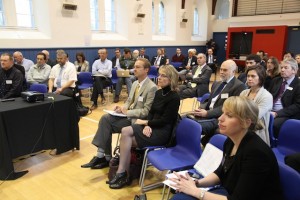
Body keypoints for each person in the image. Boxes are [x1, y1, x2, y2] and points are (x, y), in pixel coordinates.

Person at [170, 96, 283, 200]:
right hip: (231, 192)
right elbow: (221, 173)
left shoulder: (257, 154)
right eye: (223, 113)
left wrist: (196, 192)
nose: (220, 118)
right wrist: (196, 183)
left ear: (246, 122)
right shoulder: (230, 141)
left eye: (229, 115)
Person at [108, 64, 180, 189]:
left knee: (127, 135)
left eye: (163, 76)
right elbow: (151, 113)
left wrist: (147, 123)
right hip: (153, 128)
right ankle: (122, 173)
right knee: (126, 132)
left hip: (162, 133)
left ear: (171, 78)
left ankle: (122, 174)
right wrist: (148, 125)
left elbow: (165, 120)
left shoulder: (174, 97)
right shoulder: (159, 93)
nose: (159, 78)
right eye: (159, 75)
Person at [81, 58, 157, 169]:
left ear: (146, 70)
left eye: (137, 67)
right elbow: (129, 101)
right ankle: (104, 156)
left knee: (107, 123)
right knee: (105, 119)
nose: (134, 69)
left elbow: (146, 111)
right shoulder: (135, 83)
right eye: (134, 66)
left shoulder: (151, 87)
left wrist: (128, 112)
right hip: (128, 117)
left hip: (137, 121)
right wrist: (122, 108)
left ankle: (102, 157)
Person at [189, 60, 246, 146]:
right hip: (207, 113)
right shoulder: (217, 83)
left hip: (219, 118)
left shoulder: (239, 86)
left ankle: (192, 149)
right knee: (182, 118)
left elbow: (229, 109)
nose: (222, 72)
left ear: (233, 72)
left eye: (225, 70)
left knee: (191, 126)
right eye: (221, 70)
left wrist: (207, 113)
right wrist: (200, 107)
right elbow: (210, 101)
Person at [240, 65, 273, 146]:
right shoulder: (244, 92)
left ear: (261, 78)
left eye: (253, 76)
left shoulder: (266, 96)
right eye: (248, 76)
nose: (249, 78)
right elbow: (237, 110)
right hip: (241, 125)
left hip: (257, 132)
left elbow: (254, 116)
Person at [268, 58, 300, 137]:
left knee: (273, 124)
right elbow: (268, 95)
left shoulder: (298, 84)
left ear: (294, 70)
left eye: (286, 68)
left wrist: (277, 113)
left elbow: (297, 106)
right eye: (281, 67)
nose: (282, 70)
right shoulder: (276, 80)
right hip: (270, 110)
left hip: (286, 114)